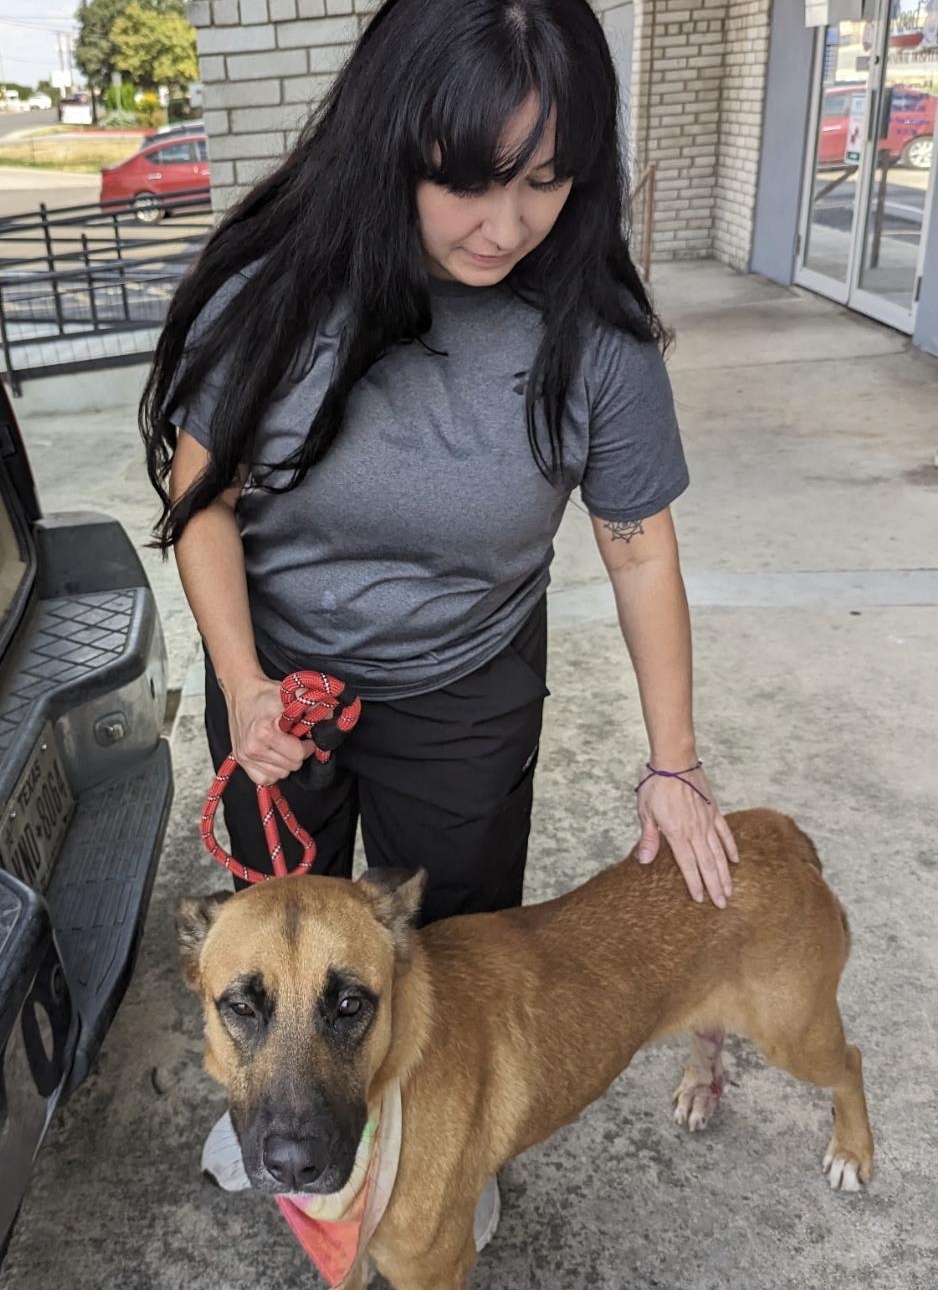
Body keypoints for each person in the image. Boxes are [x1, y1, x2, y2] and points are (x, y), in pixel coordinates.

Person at [141, 0, 740, 1245]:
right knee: (281, 945)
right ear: (392, 142)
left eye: (544, 181)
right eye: (467, 181)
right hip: (281, 679)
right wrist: (247, 682)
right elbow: (200, 506)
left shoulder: (597, 340)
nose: (505, 225)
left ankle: (445, 1135)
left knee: (448, 937)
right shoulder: (275, 294)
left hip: (465, 680)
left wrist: (673, 763)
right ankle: (278, 1105)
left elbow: (638, 550)